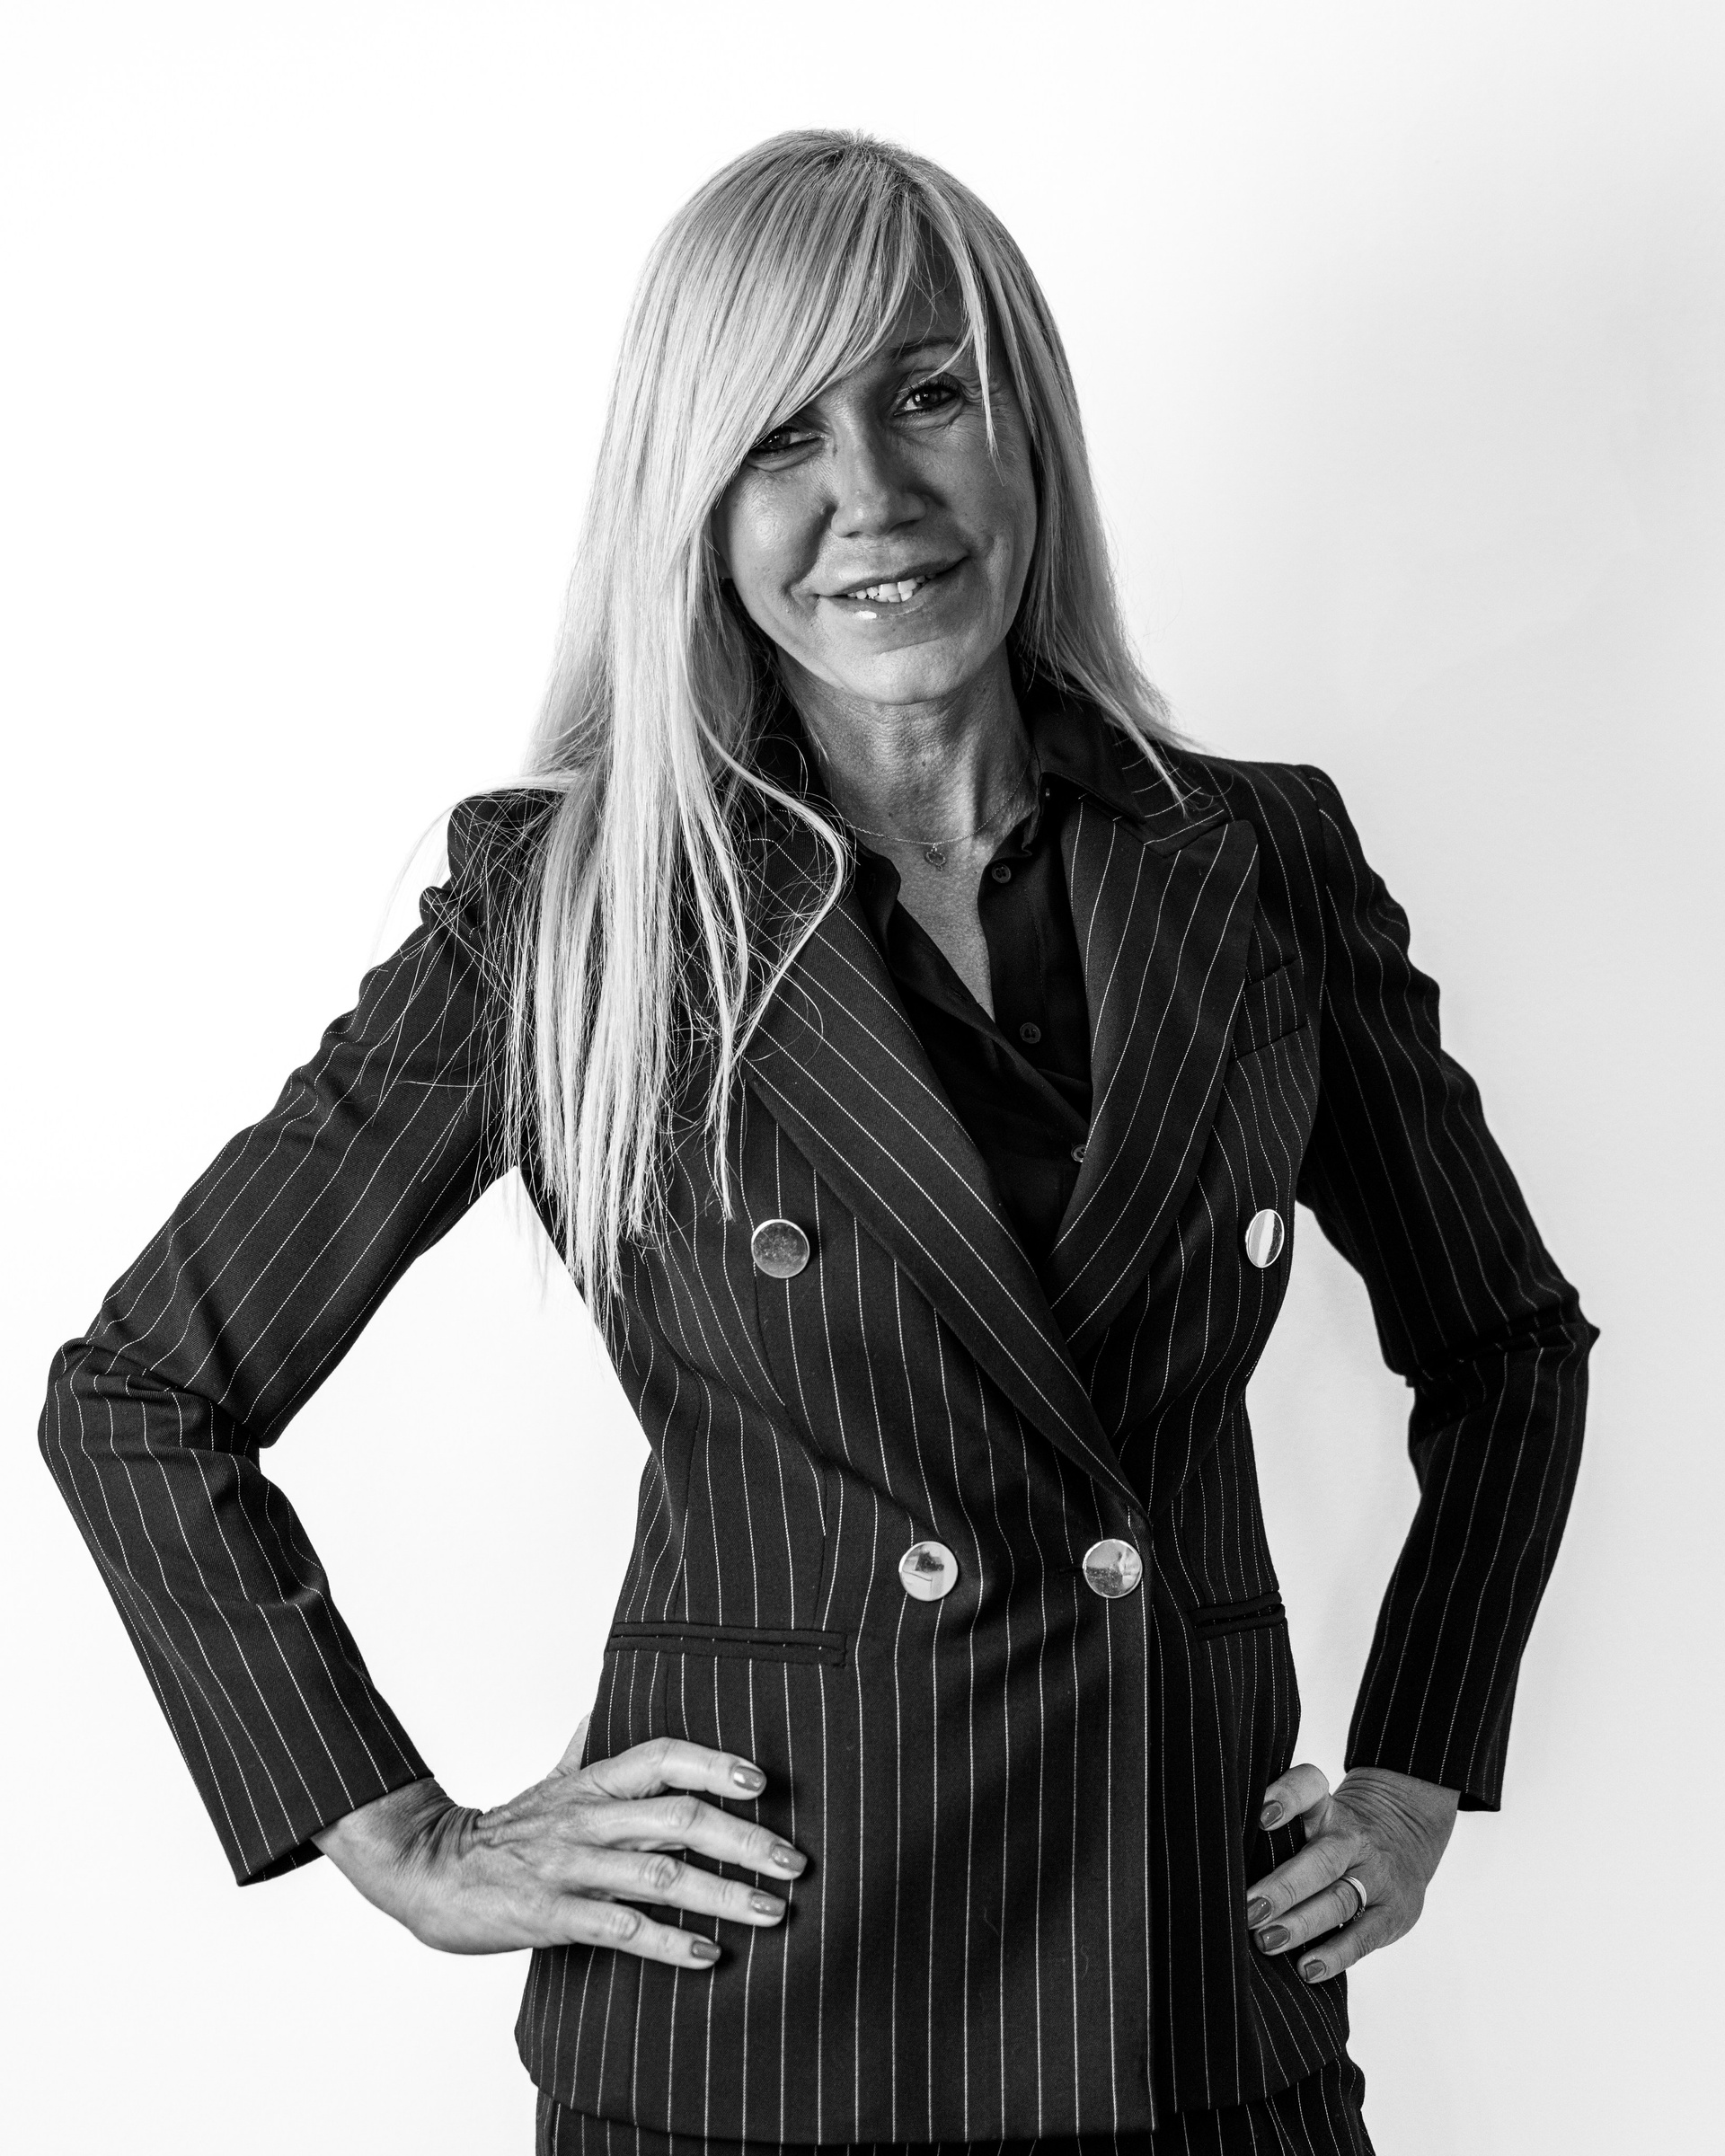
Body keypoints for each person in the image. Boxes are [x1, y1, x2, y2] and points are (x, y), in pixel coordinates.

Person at [40, 130, 1594, 2156]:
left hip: (1200, 2019)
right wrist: (407, 1840)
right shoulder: (573, 913)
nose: (873, 492)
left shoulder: (1259, 860)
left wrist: (1416, 1775)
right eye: (779, 436)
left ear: (1028, 429)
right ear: (690, 507)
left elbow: (1505, 1347)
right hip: (760, 2036)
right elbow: (142, 1395)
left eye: (928, 393)